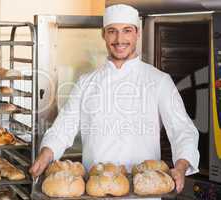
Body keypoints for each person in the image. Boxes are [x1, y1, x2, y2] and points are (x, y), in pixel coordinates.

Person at [30, 4, 199, 195]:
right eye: (112, 31)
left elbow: (182, 129)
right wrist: (46, 154)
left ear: (137, 33)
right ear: (104, 35)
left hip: (144, 191)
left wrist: (182, 165)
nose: (120, 39)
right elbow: (64, 127)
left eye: (127, 31)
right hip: (95, 191)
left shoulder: (159, 81)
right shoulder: (86, 82)